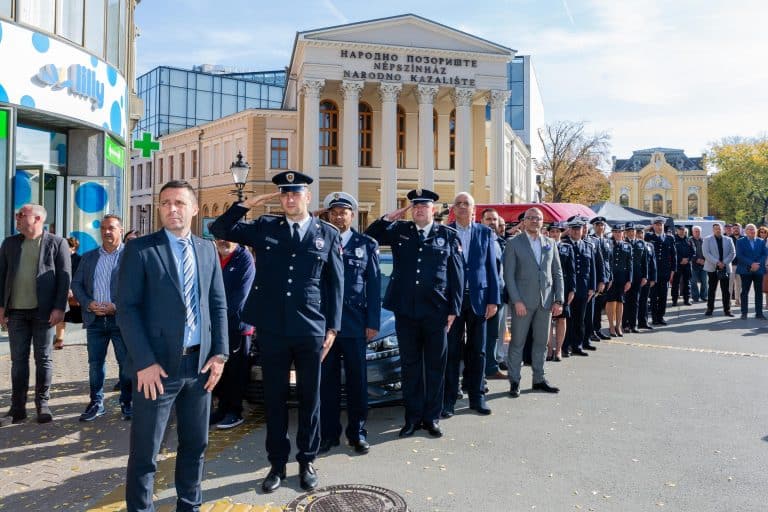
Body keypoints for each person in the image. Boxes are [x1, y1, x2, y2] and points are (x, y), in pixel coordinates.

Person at [209, 171, 343, 493]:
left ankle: (307, 460)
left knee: (311, 398)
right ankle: (277, 465)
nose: (289, 199)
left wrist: (333, 327)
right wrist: (247, 204)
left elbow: (336, 284)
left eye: (295, 194)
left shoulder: (328, 233)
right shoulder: (266, 227)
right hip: (272, 329)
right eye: (284, 194)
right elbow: (219, 228)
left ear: (308, 197)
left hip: (310, 327)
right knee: (275, 398)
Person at [118, 180, 229, 511]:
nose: (172, 209)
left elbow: (219, 305)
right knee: (145, 452)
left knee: (195, 445)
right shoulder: (141, 250)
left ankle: (189, 506)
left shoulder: (207, 249)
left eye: (179, 203)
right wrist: (144, 362)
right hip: (157, 369)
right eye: (165, 203)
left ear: (194, 209)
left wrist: (220, 354)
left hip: (199, 368)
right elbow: (127, 309)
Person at [365, 188, 463, 439]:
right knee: (410, 367)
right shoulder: (400, 231)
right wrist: (390, 217)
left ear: (433, 209)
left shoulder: (448, 235)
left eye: (424, 206)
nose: (419, 209)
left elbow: (456, 275)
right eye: (415, 206)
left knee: (435, 366)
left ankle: (432, 418)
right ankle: (412, 418)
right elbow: (370, 236)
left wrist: (454, 309)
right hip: (406, 311)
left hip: (436, 311)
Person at [318, 192, 380, 455]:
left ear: (352, 215)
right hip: (325, 327)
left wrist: (373, 322)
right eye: (334, 212)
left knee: (357, 382)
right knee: (327, 384)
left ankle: (358, 433)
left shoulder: (366, 244)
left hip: (355, 325)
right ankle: (329, 434)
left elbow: (374, 287)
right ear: (328, 215)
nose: (338, 216)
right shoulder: (319, 242)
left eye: (343, 212)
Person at [0, 204, 71, 426]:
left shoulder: (57, 243)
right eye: (16, 215)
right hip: (17, 312)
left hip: (45, 313)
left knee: (44, 359)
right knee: (18, 361)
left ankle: (43, 405)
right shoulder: (10, 243)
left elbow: (64, 277)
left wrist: (60, 307)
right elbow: (1, 276)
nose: (17, 218)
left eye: (22, 215)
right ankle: (17, 408)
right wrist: (1, 308)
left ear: (38, 219)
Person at [443, 193, 500, 418]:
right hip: (452, 303)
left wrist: (494, 300)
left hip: (479, 299)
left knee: (478, 351)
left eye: (467, 203)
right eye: (458, 203)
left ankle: (477, 397)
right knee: (451, 351)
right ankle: (448, 399)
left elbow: (492, 269)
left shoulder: (485, 232)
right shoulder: (445, 232)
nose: (463, 207)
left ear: (474, 209)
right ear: (453, 209)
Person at [71, 214, 133, 422]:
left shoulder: (131, 256)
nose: (107, 232)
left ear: (121, 230)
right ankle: (96, 403)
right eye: (104, 228)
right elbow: (76, 284)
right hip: (95, 320)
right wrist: (88, 303)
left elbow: (138, 288)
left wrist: (116, 306)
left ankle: (127, 401)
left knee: (125, 364)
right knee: (95, 364)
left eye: (112, 228)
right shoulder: (88, 257)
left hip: (121, 321)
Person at [504, 207, 564, 397]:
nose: (534, 221)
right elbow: (509, 276)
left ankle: (539, 378)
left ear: (542, 221)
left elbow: (557, 273)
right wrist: (516, 300)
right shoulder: (514, 243)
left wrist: (559, 299)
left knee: (541, 343)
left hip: (545, 302)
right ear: (524, 221)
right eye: (530, 218)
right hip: (522, 303)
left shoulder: (550, 243)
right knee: (517, 343)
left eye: (537, 218)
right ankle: (514, 381)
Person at [210, 237, 255, 430]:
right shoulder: (213, 257)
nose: (224, 241)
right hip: (215, 325)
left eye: (228, 238)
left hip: (238, 325)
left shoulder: (245, 259)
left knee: (236, 370)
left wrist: (215, 315)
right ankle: (221, 408)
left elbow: (240, 298)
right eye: (220, 238)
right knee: (221, 369)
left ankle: (235, 411)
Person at [561, 218, 596, 356]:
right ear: (569, 230)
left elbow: (592, 269)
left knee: (580, 319)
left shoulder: (588, 246)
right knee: (567, 319)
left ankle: (577, 345)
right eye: (574, 229)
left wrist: (592, 288)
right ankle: (565, 345)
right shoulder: (564, 245)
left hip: (583, 288)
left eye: (579, 229)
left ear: (583, 230)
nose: (576, 231)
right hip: (568, 288)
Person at [481, 208, 507, 378]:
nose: (491, 222)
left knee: (493, 336)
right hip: (481, 297)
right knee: (479, 338)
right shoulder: (478, 240)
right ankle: (477, 374)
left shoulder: (499, 241)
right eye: (488, 219)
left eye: (494, 219)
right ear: (481, 221)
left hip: (498, 295)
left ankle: (490, 368)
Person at [547, 222, 575, 361]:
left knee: (561, 319)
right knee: (547, 320)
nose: (554, 234)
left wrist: (572, 289)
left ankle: (558, 350)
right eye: (552, 231)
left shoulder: (567, 247)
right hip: (546, 288)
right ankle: (549, 349)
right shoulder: (544, 246)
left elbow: (572, 270)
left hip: (563, 287)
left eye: (557, 231)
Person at [646, 217, 677, 326]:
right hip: (653, 272)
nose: (659, 227)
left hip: (665, 272)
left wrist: (673, 270)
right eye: (656, 225)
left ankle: (661, 317)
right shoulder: (648, 237)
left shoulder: (669, 238)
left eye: (661, 225)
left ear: (663, 226)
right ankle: (654, 318)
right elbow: (638, 233)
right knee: (653, 296)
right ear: (653, 226)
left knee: (663, 296)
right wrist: (647, 228)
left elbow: (674, 255)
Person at [604, 224, 633, 337]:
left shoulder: (627, 246)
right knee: (611, 301)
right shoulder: (608, 244)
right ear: (613, 233)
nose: (617, 234)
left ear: (623, 233)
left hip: (622, 278)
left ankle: (618, 325)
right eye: (615, 232)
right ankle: (611, 326)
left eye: (619, 232)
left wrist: (629, 280)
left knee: (620, 302)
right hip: (611, 278)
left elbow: (630, 264)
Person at [735, 224, 768, 319]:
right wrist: (751, 264)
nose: (752, 231)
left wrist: (756, 264)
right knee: (745, 291)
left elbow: (764, 254)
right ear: (745, 231)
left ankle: (759, 313)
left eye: (753, 229)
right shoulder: (740, 241)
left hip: (758, 270)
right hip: (745, 270)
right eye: (749, 229)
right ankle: (744, 313)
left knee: (758, 292)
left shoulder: (761, 241)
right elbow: (740, 255)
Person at [702, 222, 735, 317]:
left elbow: (733, 253)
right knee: (712, 289)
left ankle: (727, 310)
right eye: (716, 228)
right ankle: (709, 309)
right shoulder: (707, 239)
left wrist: (724, 262)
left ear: (722, 229)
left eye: (719, 228)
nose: (718, 230)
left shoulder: (728, 239)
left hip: (725, 268)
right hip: (712, 267)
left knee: (726, 290)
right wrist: (717, 262)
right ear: (713, 230)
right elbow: (706, 253)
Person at [55, 236, 82, 350]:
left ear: (73, 247)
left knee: (83, 316)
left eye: (66, 246)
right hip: (62, 293)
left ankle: (90, 339)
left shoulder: (79, 259)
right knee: (62, 317)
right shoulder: (58, 259)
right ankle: (59, 340)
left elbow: (79, 276)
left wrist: (73, 289)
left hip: (75, 294)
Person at [588, 217, 611, 341]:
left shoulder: (607, 241)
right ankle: (592, 330)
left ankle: (598, 329)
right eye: (597, 225)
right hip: (596, 276)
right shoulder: (592, 240)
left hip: (605, 276)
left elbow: (609, 260)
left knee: (601, 305)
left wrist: (610, 277)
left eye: (602, 225)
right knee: (594, 307)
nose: (600, 227)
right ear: (594, 226)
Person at [623, 224, 649, 333]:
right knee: (625, 301)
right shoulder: (623, 243)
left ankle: (633, 325)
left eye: (633, 230)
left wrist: (645, 276)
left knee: (635, 301)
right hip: (626, 277)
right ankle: (625, 324)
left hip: (638, 276)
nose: (631, 232)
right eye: (629, 231)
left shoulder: (641, 243)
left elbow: (645, 262)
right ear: (626, 232)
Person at [636, 225, 657, 329]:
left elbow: (653, 263)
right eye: (638, 233)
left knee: (644, 301)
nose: (640, 235)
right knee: (635, 301)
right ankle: (631, 322)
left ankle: (643, 322)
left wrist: (653, 278)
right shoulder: (632, 245)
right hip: (636, 277)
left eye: (641, 233)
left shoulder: (650, 245)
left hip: (647, 277)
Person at [671, 226, 694, 306]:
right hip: (677, 264)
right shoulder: (673, 239)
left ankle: (686, 299)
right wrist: (680, 259)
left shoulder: (689, 240)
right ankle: (674, 300)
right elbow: (672, 252)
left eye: (683, 230)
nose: (681, 231)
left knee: (687, 283)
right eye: (680, 230)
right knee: (675, 283)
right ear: (677, 231)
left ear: (685, 231)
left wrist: (687, 259)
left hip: (687, 265)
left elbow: (693, 252)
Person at [689, 226, 708, 303]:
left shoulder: (704, 240)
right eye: (695, 231)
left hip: (704, 264)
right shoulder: (689, 241)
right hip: (693, 265)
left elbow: (708, 251)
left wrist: (704, 260)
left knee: (704, 281)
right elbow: (689, 252)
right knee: (693, 282)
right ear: (692, 232)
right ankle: (695, 297)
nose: (697, 233)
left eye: (698, 231)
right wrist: (696, 259)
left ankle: (703, 296)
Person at [729, 223, 742, 307]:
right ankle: (728, 300)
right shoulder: (728, 239)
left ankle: (738, 300)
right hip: (731, 265)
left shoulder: (744, 238)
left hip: (741, 265)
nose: (736, 229)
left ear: (740, 229)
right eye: (734, 228)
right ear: (732, 229)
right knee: (729, 284)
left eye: (737, 228)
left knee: (739, 285)